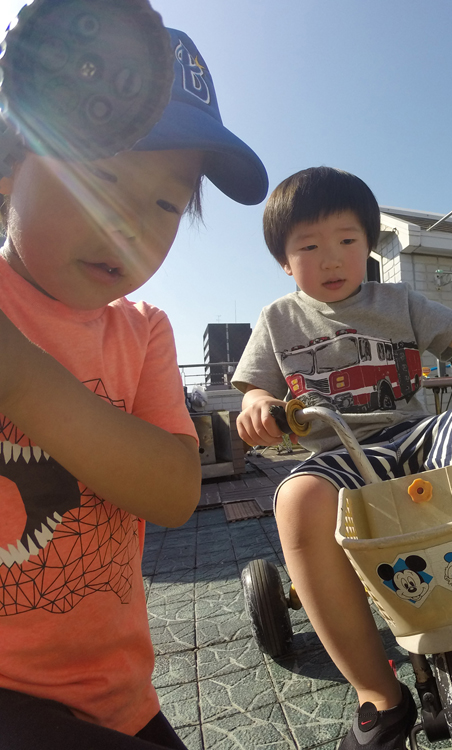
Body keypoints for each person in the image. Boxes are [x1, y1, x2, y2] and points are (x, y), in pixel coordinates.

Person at [233, 166, 452, 750]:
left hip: (412, 434)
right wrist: (258, 406)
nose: (331, 258)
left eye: (347, 240)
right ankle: (379, 695)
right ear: (285, 261)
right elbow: (253, 388)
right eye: (309, 247)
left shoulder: (397, 301)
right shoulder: (277, 320)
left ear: (368, 245)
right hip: (339, 452)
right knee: (298, 500)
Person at [0, 28, 268, 750]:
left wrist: (22, 381)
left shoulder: (144, 331)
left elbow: (175, 491)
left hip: (119, 693)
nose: (126, 225)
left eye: (165, 205)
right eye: (100, 176)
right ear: (11, 162)